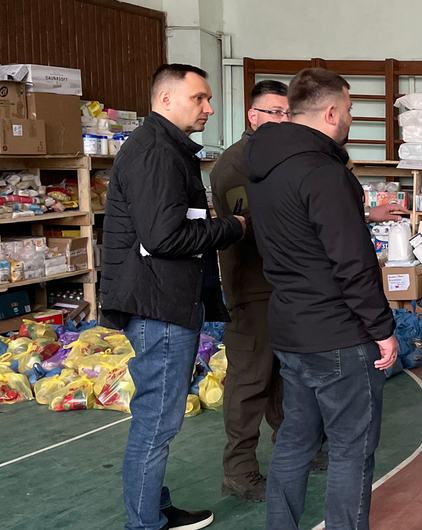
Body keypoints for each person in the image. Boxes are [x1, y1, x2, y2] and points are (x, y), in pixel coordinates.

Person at [246, 67, 398, 530]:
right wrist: (383, 329)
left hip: (291, 326)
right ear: (331, 112)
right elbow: (352, 263)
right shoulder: (323, 172)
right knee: (352, 449)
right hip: (337, 333)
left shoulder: (262, 165)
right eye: (350, 109)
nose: (351, 117)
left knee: (294, 439)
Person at [103, 63, 245, 530]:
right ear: (165, 100)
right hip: (159, 304)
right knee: (156, 422)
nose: (209, 107)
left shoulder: (167, 148)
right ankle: (144, 524)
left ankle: (154, 509)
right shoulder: (156, 153)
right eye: (199, 98)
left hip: (162, 299)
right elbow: (165, 237)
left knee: (156, 418)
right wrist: (231, 228)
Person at [210, 79, 299, 502]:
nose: (283, 120)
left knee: (282, 374)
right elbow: (249, 228)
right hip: (252, 288)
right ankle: (240, 469)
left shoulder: (277, 156)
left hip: (283, 285)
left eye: (288, 113)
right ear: (253, 116)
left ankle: (293, 447)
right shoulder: (235, 164)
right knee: (249, 379)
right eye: (275, 112)